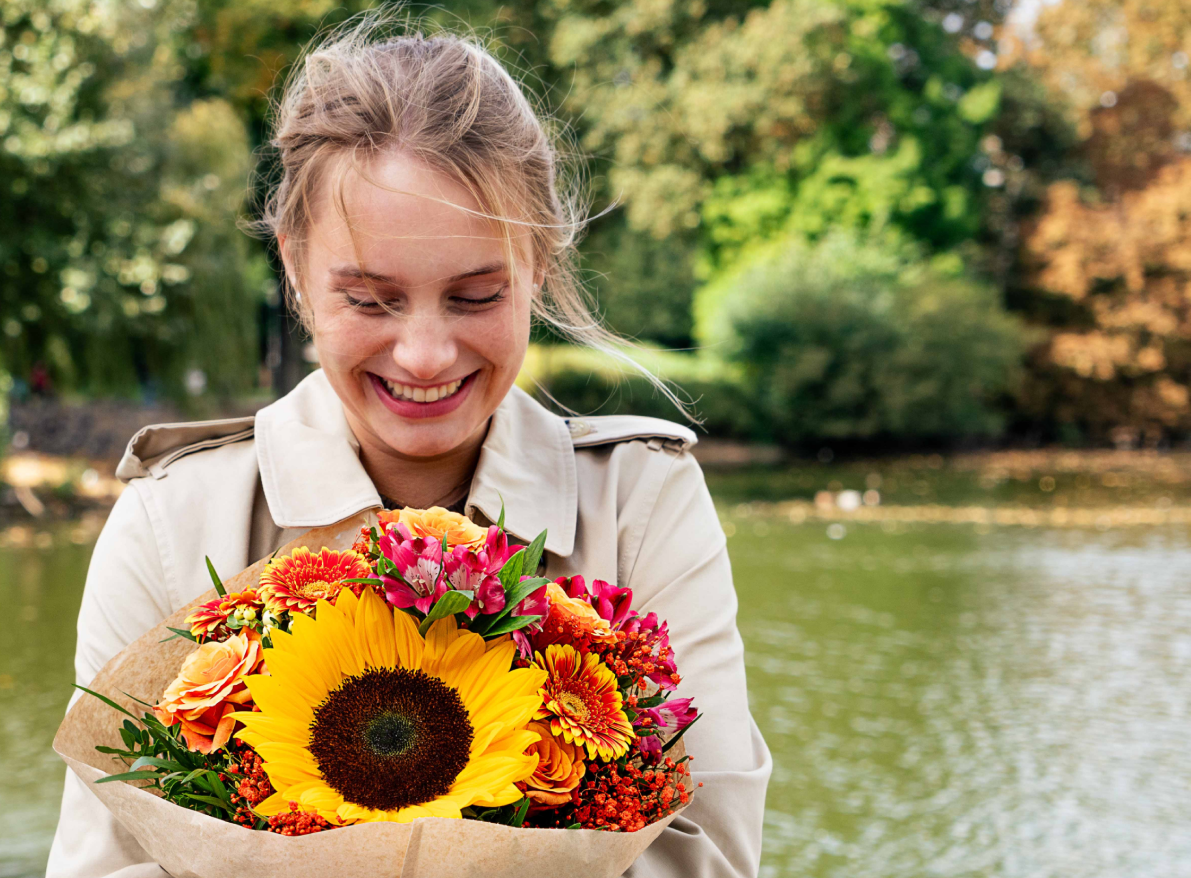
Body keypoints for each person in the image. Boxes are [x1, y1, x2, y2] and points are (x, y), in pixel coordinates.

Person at [47, 21, 770, 878]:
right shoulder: (174, 521)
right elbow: (105, 862)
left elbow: (708, 855)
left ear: (536, 264)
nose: (424, 355)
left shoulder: (642, 505)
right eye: (370, 300)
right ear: (296, 266)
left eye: (474, 295)